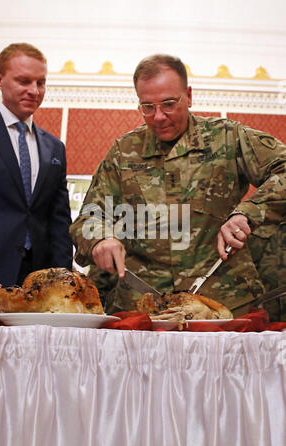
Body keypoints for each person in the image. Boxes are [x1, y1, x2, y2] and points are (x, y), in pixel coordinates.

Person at [70, 53, 286, 316]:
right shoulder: (124, 152)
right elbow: (89, 217)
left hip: (220, 306)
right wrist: (100, 238)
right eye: (147, 107)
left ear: (189, 96)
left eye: (168, 104)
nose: (158, 116)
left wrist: (247, 213)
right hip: (143, 308)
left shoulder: (228, 138)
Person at [0, 43, 73, 313]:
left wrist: (63, 284)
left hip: (38, 288)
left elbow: (59, 222)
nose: (34, 91)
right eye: (24, 81)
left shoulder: (54, 147)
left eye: (40, 82)